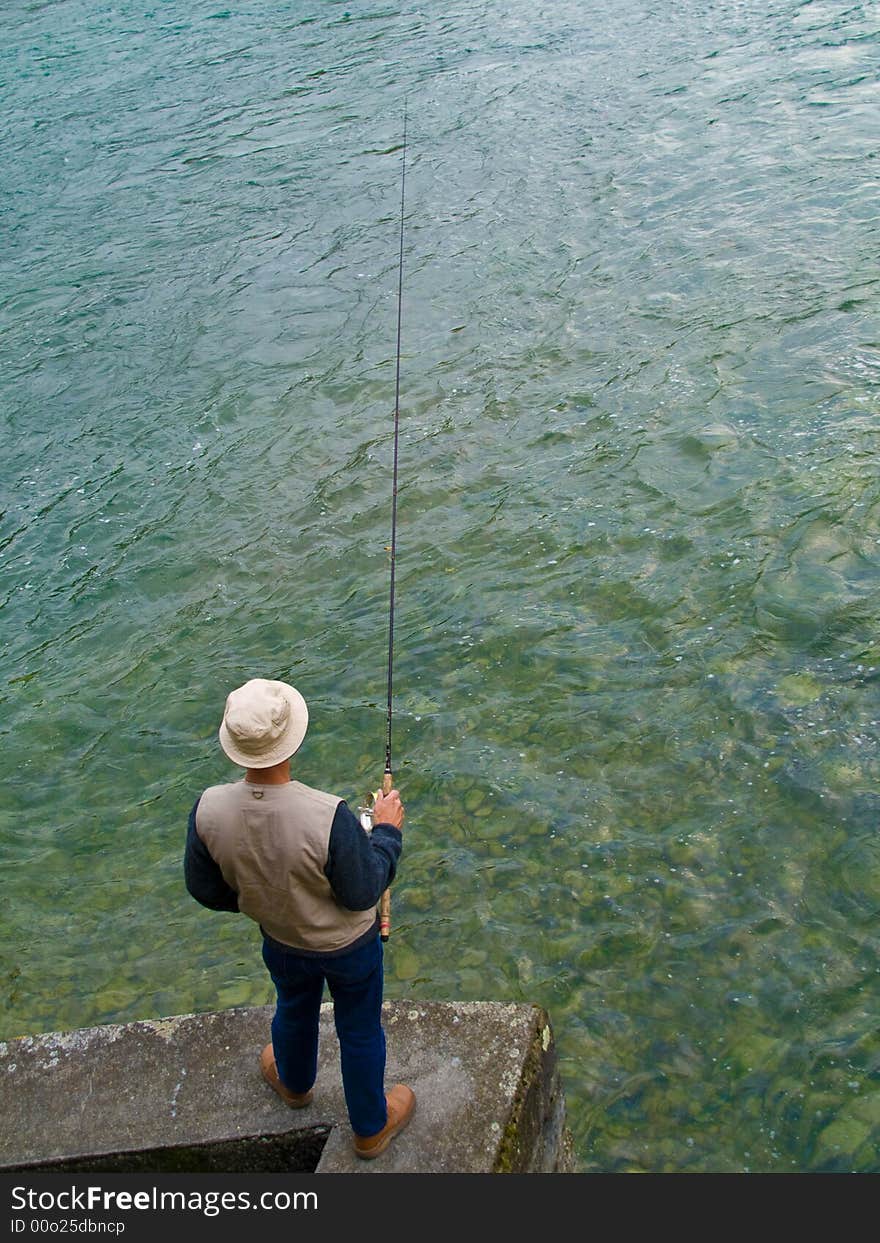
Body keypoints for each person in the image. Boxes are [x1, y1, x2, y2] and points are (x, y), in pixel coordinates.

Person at [184, 676, 415, 1159]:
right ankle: (371, 1127)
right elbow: (363, 892)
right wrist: (388, 833)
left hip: (282, 941)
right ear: (292, 740)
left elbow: (205, 889)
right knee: (359, 1029)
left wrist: (259, 900)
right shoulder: (328, 815)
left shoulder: (207, 809)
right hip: (350, 949)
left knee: (293, 1006)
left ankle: (293, 1085)